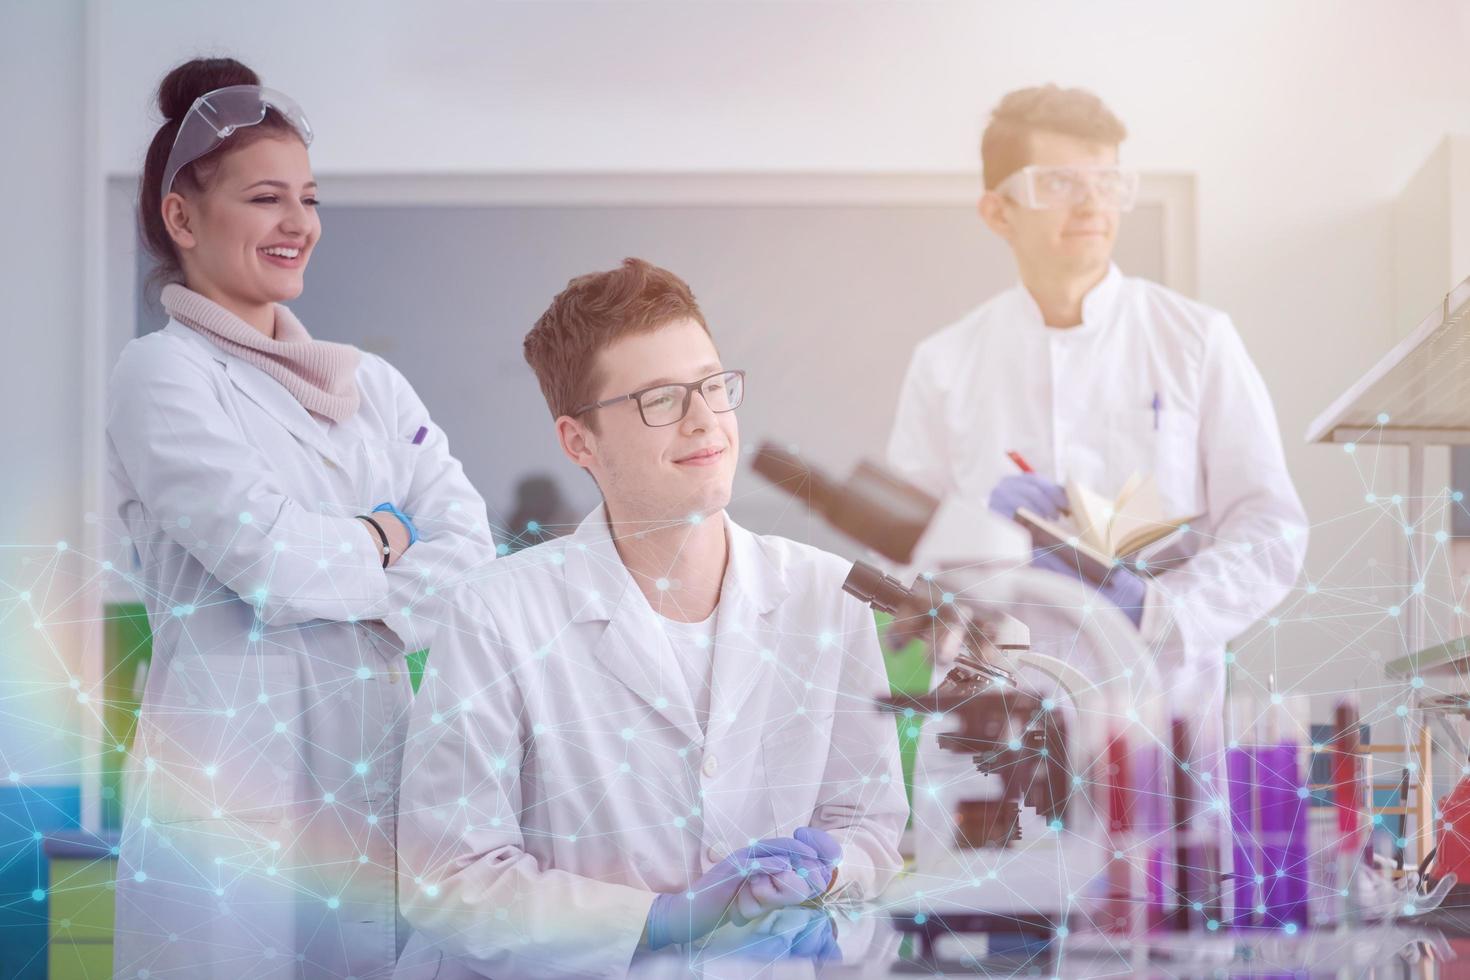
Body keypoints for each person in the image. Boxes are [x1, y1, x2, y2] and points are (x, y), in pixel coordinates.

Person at [393, 258, 907, 977]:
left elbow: (868, 825)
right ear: (578, 443)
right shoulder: (497, 614)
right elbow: (449, 877)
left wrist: (829, 877)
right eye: (660, 399)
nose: (705, 421)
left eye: (713, 386)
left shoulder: (828, 596)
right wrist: (657, 922)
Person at [108, 58, 495, 979]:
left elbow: (470, 553)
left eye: (309, 200)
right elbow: (271, 560)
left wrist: (354, 570)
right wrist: (386, 535)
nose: (298, 226)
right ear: (182, 216)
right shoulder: (162, 375)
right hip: (231, 787)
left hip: (382, 781)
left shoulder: (371, 386)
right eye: (267, 199)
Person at [887, 84, 1307, 714]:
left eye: (1107, 181)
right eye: (1058, 182)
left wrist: (1158, 611)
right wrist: (978, 530)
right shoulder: (945, 363)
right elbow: (898, 555)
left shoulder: (1196, 340)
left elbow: (1270, 530)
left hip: (1161, 713)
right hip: (998, 713)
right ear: (999, 211)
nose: (1091, 203)